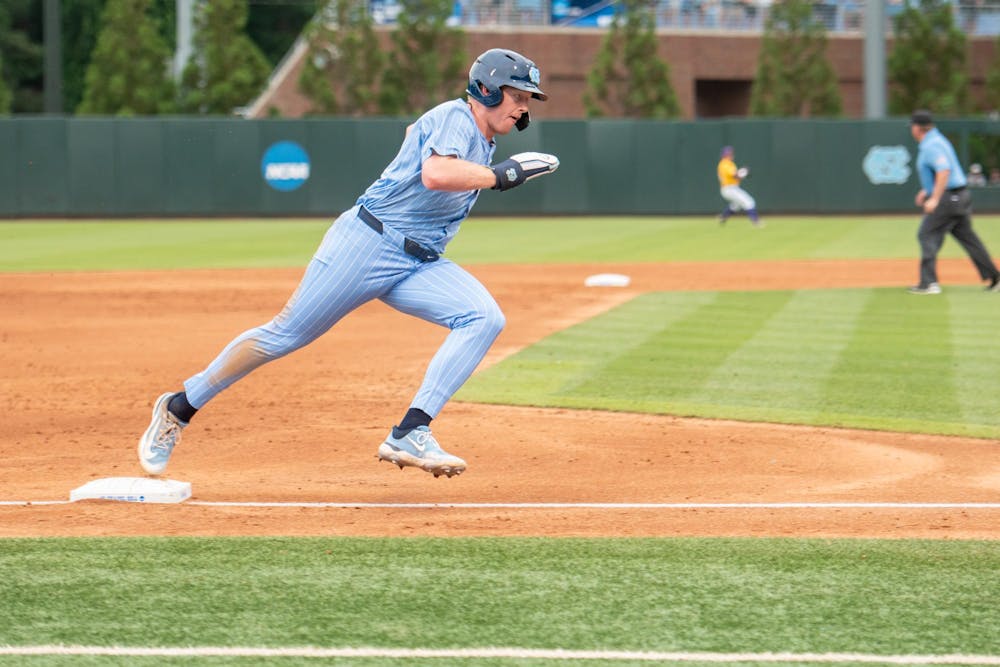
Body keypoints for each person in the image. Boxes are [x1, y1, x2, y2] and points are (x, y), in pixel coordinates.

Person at [138, 48, 559, 479]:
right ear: (486, 90)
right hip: (367, 245)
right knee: (282, 337)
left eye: (528, 99)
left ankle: (411, 430)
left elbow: (424, 144)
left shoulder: (479, 138)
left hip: (419, 263)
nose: (524, 106)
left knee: (483, 317)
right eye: (517, 95)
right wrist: (502, 175)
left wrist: (489, 166)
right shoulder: (456, 117)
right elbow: (436, 174)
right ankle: (179, 407)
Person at [907, 109, 1000, 295]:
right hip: (959, 196)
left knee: (926, 234)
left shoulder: (931, 145)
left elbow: (944, 171)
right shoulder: (938, 140)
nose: (911, 129)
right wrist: (927, 190)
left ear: (918, 128)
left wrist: (934, 198)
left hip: (948, 198)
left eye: (912, 126)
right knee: (969, 239)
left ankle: (929, 283)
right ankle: (995, 277)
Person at [716, 145, 763, 228]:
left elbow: (736, 177)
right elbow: (735, 175)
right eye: (729, 153)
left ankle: (723, 217)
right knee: (749, 201)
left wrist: (742, 173)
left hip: (730, 188)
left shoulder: (728, 163)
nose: (731, 154)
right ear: (724, 155)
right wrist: (743, 172)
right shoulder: (725, 164)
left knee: (736, 205)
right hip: (729, 188)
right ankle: (756, 221)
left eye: (731, 153)